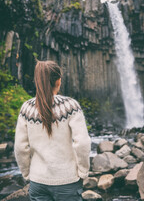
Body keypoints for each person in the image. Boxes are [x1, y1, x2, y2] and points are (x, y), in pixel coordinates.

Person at [14, 59, 91, 201]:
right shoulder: (70, 106)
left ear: (37, 81)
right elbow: (82, 143)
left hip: (38, 182)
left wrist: (27, 174)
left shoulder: (26, 108)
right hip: (67, 181)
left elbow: (20, 147)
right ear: (58, 81)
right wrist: (83, 172)